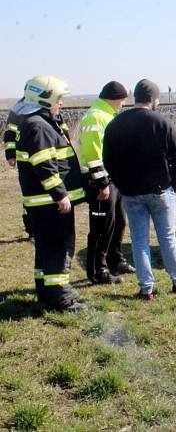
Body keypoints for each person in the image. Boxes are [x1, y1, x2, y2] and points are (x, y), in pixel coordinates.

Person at [103, 79, 176, 300]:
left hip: (131, 193)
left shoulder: (115, 124)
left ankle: (146, 289)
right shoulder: (162, 122)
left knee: (139, 241)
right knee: (167, 237)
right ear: (153, 99)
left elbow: (108, 161)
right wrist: (173, 185)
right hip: (161, 190)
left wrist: (121, 183)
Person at [15, 75, 87, 311]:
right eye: (59, 99)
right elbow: (44, 164)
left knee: (45, 248)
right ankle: (61, 298)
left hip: (43, 203)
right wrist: (60, 194)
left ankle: (46, 292)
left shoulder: (36, 122)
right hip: (49, 203)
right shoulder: (39, 125)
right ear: (46, 99)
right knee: (58, 248)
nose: (61, 104)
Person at [78, 81, 136, 284]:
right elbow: (92, 153)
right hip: (99, 181)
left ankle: (114, 259)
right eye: (123, 100)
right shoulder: (96, 117)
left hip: (111, 179)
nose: (123, 104)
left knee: (118, 221)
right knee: (101, 226)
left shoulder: (106, 115)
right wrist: (101, 183)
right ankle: (97, 271)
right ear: (116, 98)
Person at [4, 98, 34, 239]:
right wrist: (10, 155)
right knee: (30, 195)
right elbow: (10, 133)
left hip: (48, 157)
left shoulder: (48, 106)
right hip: (25, 159)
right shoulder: (18, 109)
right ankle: (31, 229)